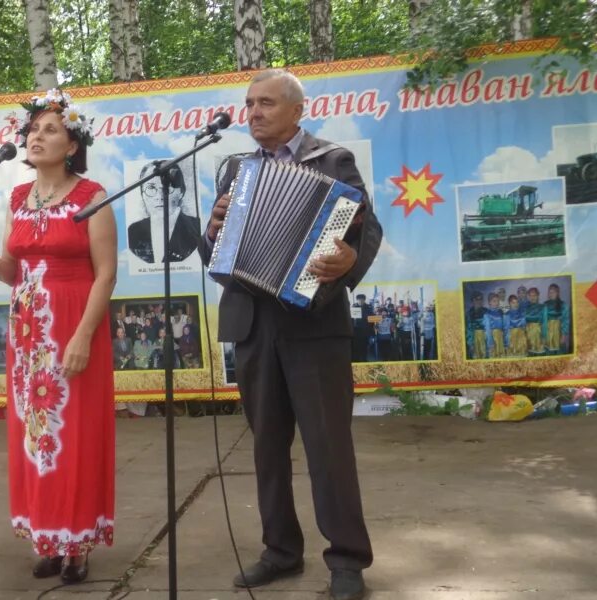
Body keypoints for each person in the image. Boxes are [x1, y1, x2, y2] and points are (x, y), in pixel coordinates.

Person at [199, 69, 382, 600]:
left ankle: (347, 561)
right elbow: (222, 256)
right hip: (252, 324)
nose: (253, 113)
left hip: (313, 324)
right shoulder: (236, 169)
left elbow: (364, 230)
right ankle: (280, 551)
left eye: (266, 104)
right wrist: (213, 233)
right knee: (267, 448)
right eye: (249, 104)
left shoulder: (333, 161)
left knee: (328, 447)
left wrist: (348, 261)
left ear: (297, 111)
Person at [0, 89, 116, 584]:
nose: (37, 136)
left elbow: (106, 275)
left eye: (50, 129)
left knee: (74, 435)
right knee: (35, 437)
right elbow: (18, 272)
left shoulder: (92, 196)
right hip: (28, 333)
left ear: (72, 144)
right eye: (33, 129)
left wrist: (82, 337)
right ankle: (47, 537)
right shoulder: (16, 197)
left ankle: (78, 544)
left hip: (74, 325)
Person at [127, 160, 200, 263]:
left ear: (181, 192)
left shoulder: (197, 228)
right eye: (151, 188)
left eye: (167, 187)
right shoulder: (133, 231)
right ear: (142, 194)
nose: (160, 196)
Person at [543, 283, 570, 354]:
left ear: (557, 293)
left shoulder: (563, 304)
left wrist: (564, 335)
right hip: (548, 332)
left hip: (558, 332)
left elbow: (565, 320)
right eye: (549, 292)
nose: (550, 294)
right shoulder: (545, 304)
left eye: (553, 292)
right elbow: (543, 320)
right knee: (548, 351)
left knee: (558, 351)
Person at [483, 292, 507, 358]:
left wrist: (505, 341)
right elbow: (487, 330)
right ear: (489, 302)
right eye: (494, 301)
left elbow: (504, 327)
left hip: (500, 338)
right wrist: (490, 344)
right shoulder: (487, 314)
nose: (496, 303)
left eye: (498, 301)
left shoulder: (500, 312)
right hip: (493, 338)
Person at [351, 293, 373, 362]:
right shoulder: (354, 307)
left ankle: (364, 359)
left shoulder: (368, 307)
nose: (360, 301)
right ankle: (356, 360)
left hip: (365, 330)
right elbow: (351, 318)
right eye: (359, 300)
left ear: (364, 300)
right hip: (356, 330)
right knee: (356, 346)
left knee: (364, 346)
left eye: (362, 300)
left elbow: (371, 319)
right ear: (357, 300)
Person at [466, 292, 488, 359]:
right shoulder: (469, 313)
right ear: (473, 300)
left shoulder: (486, 311)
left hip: (485, 338)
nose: (479, 301)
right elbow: (468, 329)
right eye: (476, 299)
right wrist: (470, 344)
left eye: (481, 299)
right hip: (474, 339)